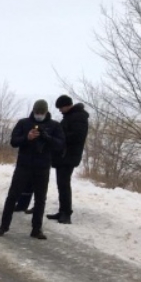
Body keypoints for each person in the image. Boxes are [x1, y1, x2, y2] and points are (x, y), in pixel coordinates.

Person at [0, 99, 65, 240]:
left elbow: (60, 145)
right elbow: (14, 141)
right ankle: (4, 226)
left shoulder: (54, 126)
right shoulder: (23, 123)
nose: (39, 115)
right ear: (33, 111)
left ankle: (36, 229)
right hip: (24, 166)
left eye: (41, 112)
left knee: (40, 199)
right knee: (12, 196)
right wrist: (27, 137)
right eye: (36, 112)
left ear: (46, 112)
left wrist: (47, 137)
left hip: (42, 167)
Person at [47, 94, 90, 224]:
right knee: (62, 184)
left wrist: (60, 137)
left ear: (67, 105)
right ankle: (62, 211)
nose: (60, 110)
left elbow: (77, 136)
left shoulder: (78, 117)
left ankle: (66, 213)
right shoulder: (71, 117)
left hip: (68, 156)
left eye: (61, 108)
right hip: (64, 156)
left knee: (64, 185)